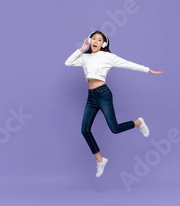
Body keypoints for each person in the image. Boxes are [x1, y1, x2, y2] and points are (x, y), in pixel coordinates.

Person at [64, 30, 164, 177]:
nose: (95, 41)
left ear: (103, 43)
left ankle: (138, 123)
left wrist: (148, 70)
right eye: (93, 38)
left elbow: (128, 64)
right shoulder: (84, 57)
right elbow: (68, 62)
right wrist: (81, 49)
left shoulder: (108, 57)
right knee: (85, 130)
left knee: (115, 128)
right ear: (89, 40)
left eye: (99, 39)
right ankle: (100, 160)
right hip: (91, 97)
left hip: (103, 95)